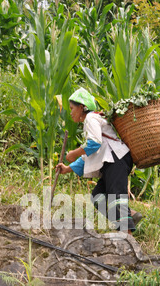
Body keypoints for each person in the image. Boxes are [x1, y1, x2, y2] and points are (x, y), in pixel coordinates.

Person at [56, 87, 140, 234]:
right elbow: (89, 156)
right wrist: (67, 168)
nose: (70, 112)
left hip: (116, 160)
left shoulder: (91, 118)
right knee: (97, 198)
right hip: (110, 164)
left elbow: (94, 144)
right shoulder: (92, 121)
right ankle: (129, 215)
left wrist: (74, 153)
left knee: (116, 200)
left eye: (72, 108)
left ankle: (128, 239)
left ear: (82, 107)